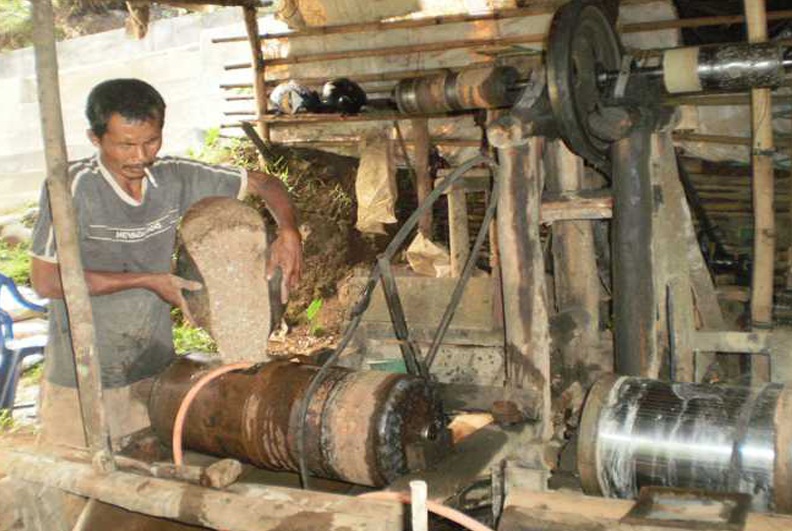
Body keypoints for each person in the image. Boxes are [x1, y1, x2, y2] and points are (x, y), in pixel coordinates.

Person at [29, 78, 303, 448]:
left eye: (151, 141)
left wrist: (288, 233)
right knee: (76, 487)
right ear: (95, 139)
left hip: (152, 371)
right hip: (82, 377)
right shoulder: (71, 187)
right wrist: (147, 281)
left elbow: (267, 184)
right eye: (126, 145)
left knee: (146, 480)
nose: (141, 156)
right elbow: (47, 281)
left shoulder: (172, 176)